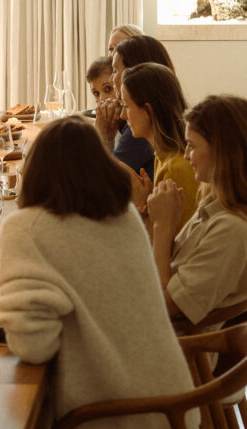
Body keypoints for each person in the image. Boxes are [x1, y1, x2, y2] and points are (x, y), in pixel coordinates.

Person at [0, 116, 198, 429]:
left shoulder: (26, 229)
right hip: (175, 425)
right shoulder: (123, 218)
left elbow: (33, 344)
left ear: (34, 173)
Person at [147, 94, 247, 326]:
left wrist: (163, 225)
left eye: (191, 146)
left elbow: (160, 305)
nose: (185, 155)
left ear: (222, 152)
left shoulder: (231, 230)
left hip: (171, 341)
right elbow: (165, 268)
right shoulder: (212, 206)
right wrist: (155, 218)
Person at [120, 62, 199, 229]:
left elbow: (179, 240)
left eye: (126, 106)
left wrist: (143, 206)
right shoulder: (162, 156)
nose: (122, 115)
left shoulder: (177, 168)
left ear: (148, 111)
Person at [97, 34, 176, 182]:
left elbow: (104, 182)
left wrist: (102, 135)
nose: (111, 79)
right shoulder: (158, 118)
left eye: (115, 71)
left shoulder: (143, 124)